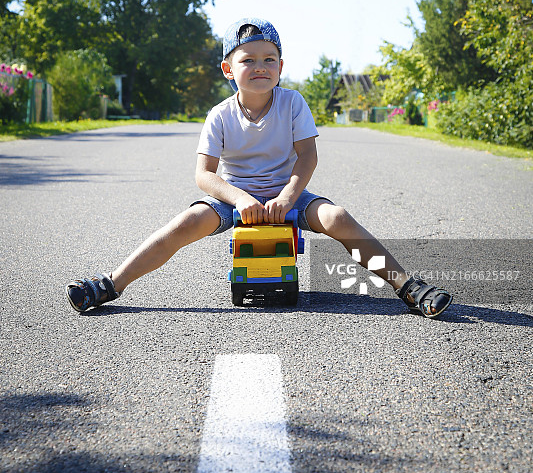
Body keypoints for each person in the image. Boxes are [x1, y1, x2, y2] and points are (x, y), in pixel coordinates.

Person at [66, 17, 452, 318]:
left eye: (269, 59)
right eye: (248, 59)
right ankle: (110, 285)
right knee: (183, 225)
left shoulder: (292, 103)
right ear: (228, 69)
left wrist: (287, 196)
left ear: (281, 66)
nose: (260, 66)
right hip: (235, 199)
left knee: (338, 216)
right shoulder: (219, 115)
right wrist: (239, 198)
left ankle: (407, 286)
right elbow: (204, 175)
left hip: (290, 195)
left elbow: (307, 156)